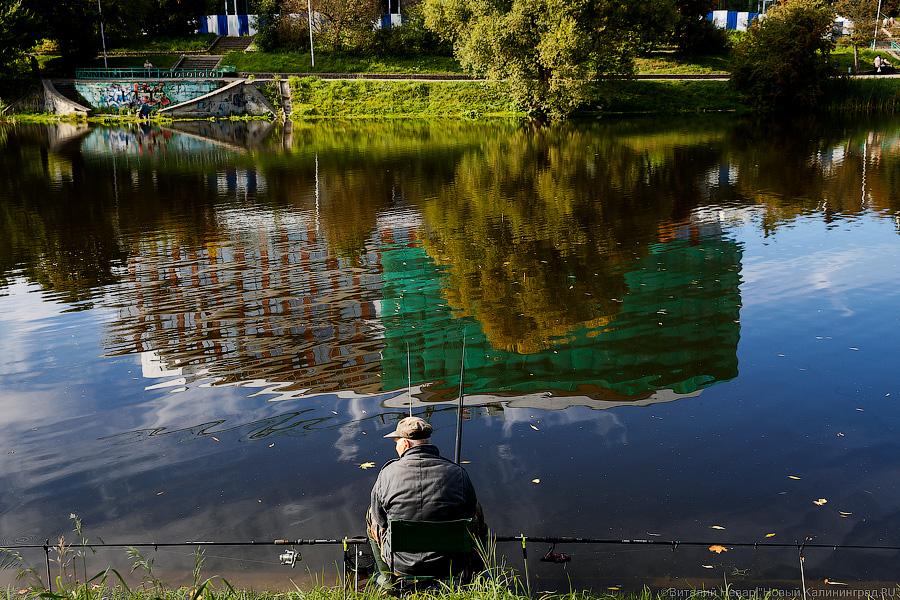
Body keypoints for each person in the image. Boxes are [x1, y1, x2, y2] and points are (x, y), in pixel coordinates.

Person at [366, 417, 485, 589]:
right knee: (476, 510)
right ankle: (477, 571)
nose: (395, 446)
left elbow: (381, 520)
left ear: (406, 444)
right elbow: (468, 513)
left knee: (371, 514)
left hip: (400, 563)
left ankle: (387, 577)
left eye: (396, 441)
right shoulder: (458, 472)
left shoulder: (387, 474)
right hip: (450, 562)